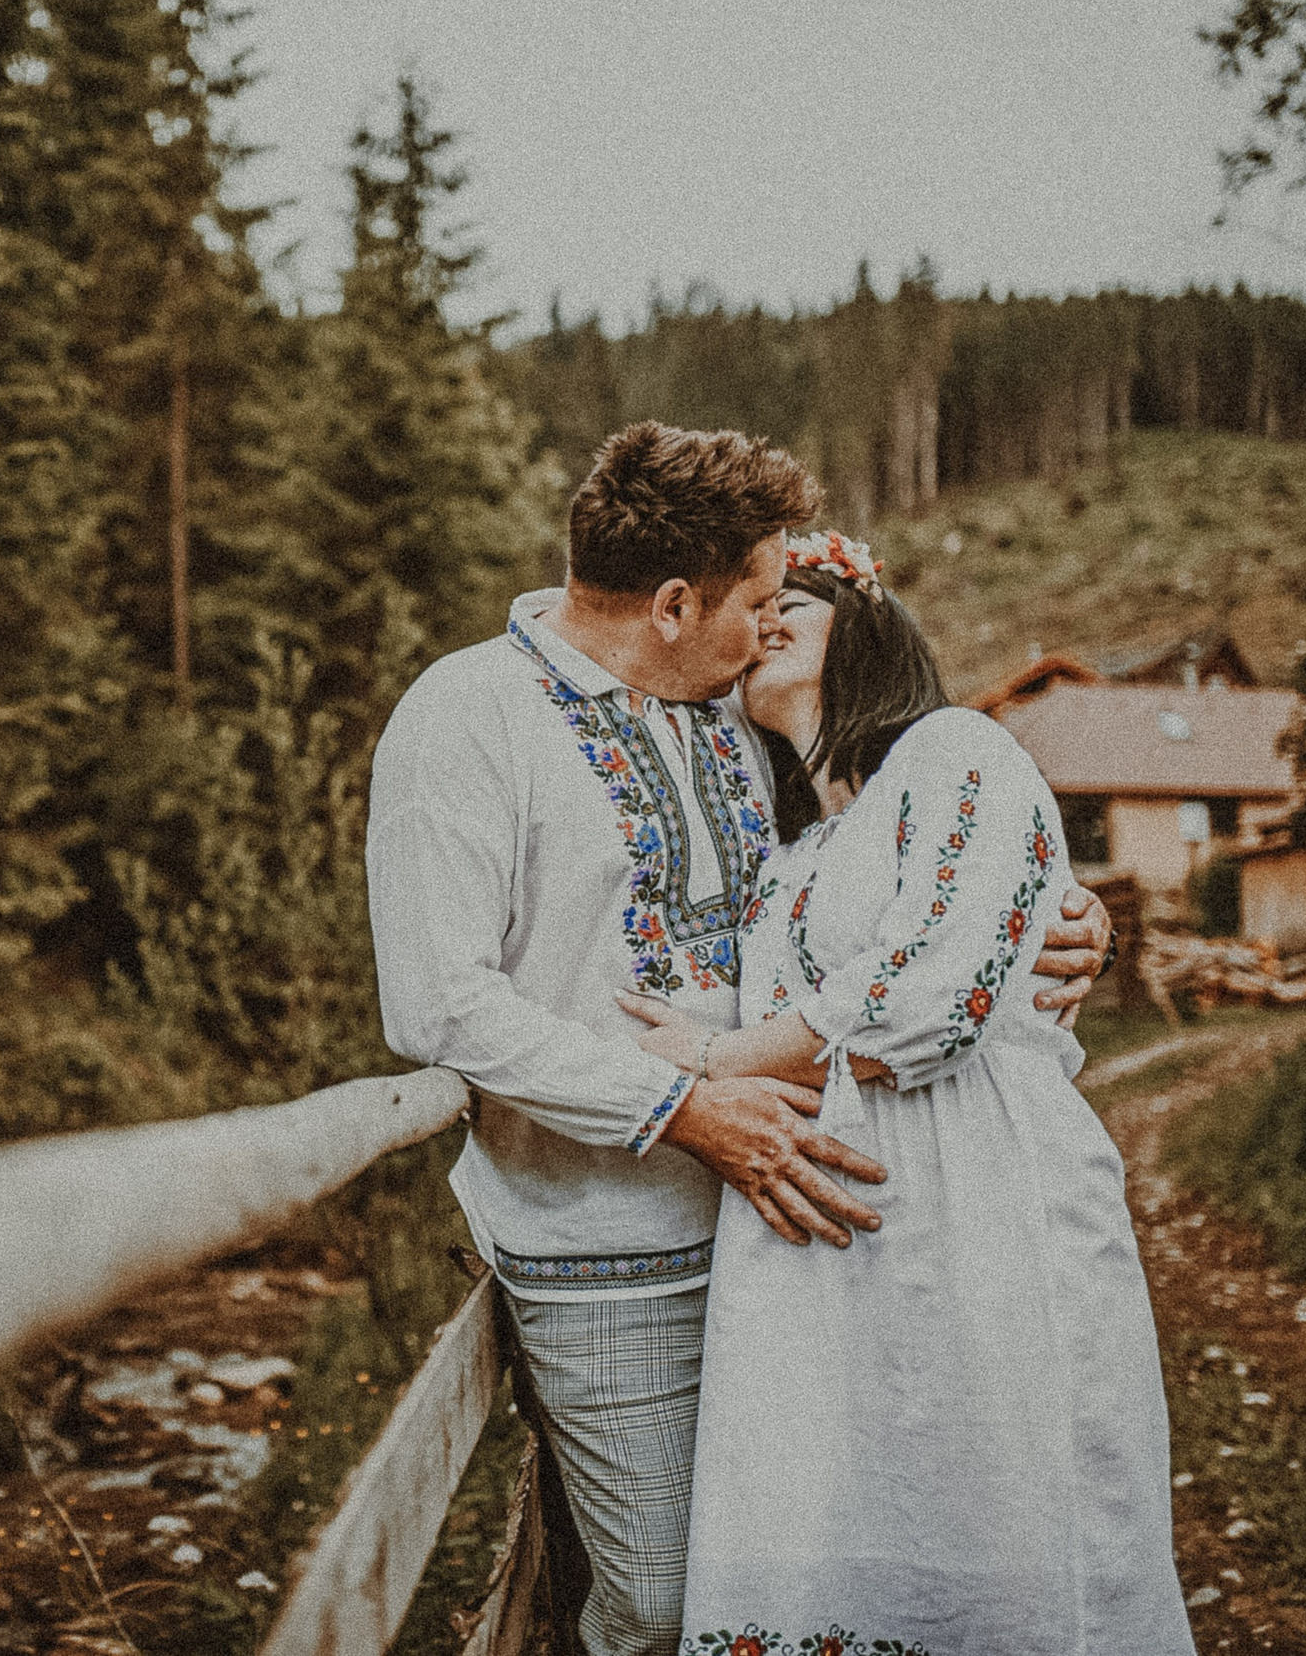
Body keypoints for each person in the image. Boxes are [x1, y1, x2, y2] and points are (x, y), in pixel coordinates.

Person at [365, 423, 1113, 1656]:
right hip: (615, 1245)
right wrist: (680, 1109)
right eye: (759, 600)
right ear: (671, 603)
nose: (770, 626)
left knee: (819, 1586)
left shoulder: (735, 725)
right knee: (665, 1611)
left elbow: (878, 889)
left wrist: (1057, 920)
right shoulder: (468, 716)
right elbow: (437, 1002)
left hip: (801, 1242)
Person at [624, 531, 1194, 1656]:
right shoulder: (785, 858)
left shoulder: (955, 753)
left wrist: (709, 1059)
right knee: (836, 1506)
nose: (769, 618)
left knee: (997, 1503)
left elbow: (929, 996)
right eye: (754, 606)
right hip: (815, 1233)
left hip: (975, 1196)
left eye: (802, 597)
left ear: (872, 621)